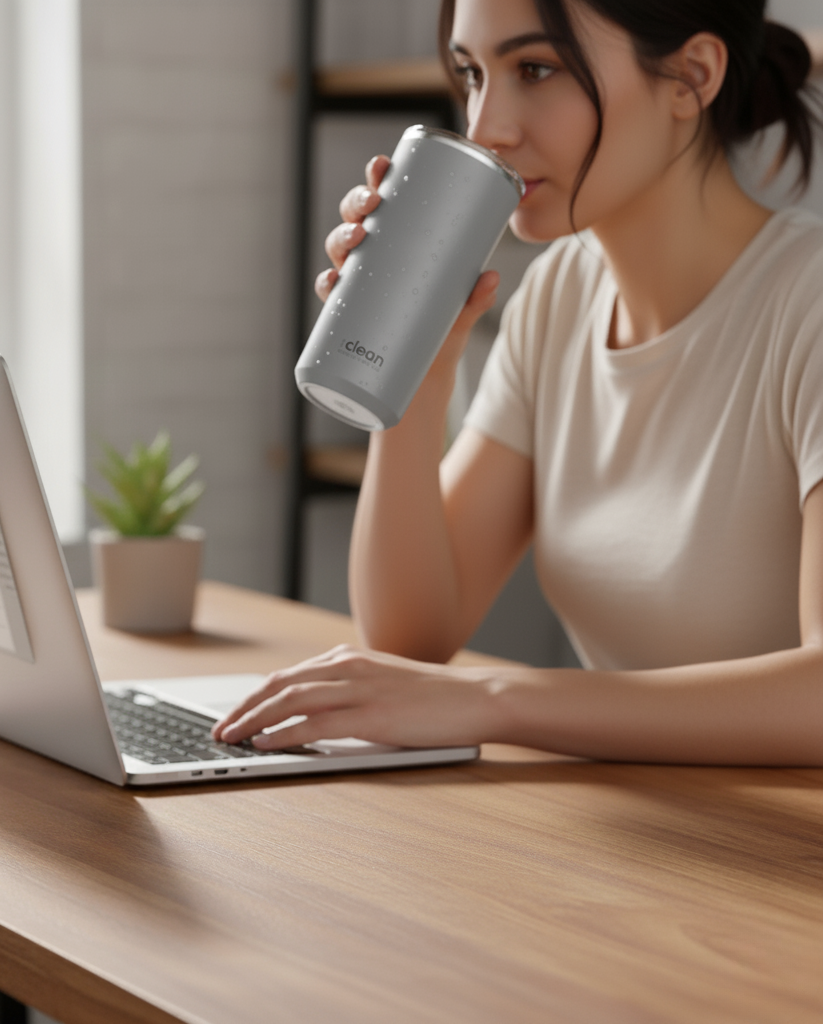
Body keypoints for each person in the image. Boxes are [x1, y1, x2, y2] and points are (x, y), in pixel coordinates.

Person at [213, 0, 823, 765]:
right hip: (646, 838)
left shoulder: (808, 306)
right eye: (472, 74)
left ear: (690, 78)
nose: (486, 128)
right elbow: (411, 639)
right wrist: (414, 365)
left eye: (536, 70)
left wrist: (495, 701)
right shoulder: (561, 298)